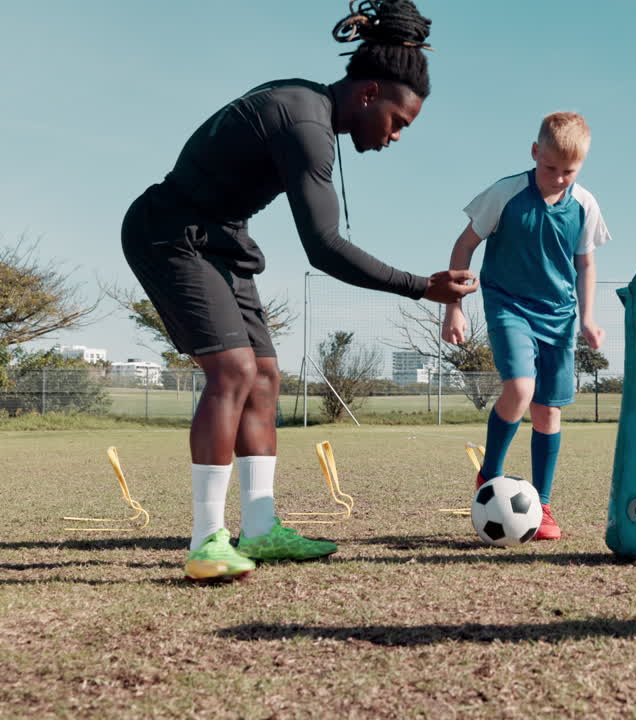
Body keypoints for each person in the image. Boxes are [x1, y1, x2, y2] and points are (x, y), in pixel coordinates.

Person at [121, 0, 476, 581]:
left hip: (221, 239)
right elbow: (324, 247)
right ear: (367, 94)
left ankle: (259, 531)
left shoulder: (311, 108)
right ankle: (206, 540)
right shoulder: (304, 121)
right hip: (169, 233)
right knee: (233, 371)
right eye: (398, 121)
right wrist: (422, 287)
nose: (395, 137)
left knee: (263, 377)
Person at [443, 111, 610, 541]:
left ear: (581, 167)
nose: (557, 178)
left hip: (559, 315)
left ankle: (544, 505)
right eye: (549, 167)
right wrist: (455, 307)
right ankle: (489, 477)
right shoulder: (506, 193)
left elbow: (586, 263)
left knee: (547, 411)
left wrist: (588, 317)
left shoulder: (585, 205)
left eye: (568, 171)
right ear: (535, 153)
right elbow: (464, 245)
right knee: (520, 389)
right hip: (508, 306)